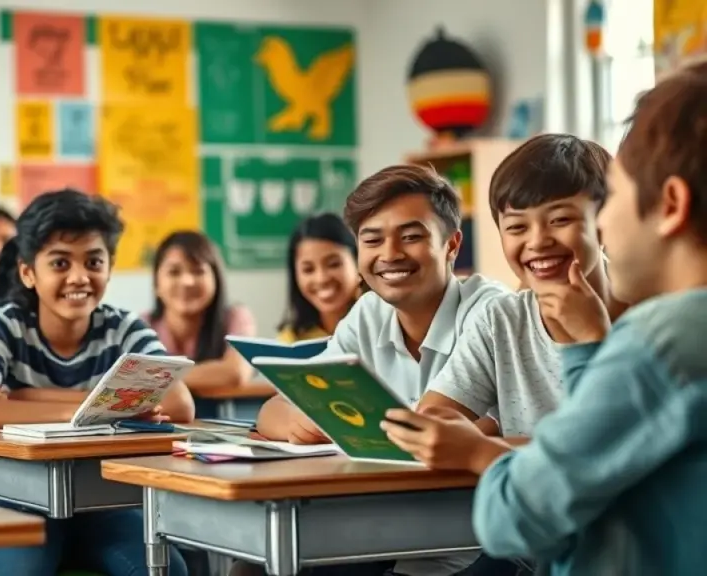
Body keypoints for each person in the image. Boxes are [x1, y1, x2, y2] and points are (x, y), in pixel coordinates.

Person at [382, 59, 707, 576]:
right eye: (517, 226)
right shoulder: (662, 335)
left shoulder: (659, 341)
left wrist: (480, 453)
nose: (606, 222)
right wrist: (586, 351)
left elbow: (516, 518)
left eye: (616, 198)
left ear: (670, 204)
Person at [253, 165, 509, 576]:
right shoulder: (368, 313)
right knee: (260, 560)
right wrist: (300, 419)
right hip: (381, 528)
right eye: (372, 240)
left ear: (452, 244)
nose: (389, 254)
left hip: (475, 537)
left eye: (411, 237)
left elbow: (490, 429)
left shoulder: (492, 310)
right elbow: (272, 411)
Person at [0, 188, 193, 576]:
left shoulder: (123, 328)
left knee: (167, 569)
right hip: (20, 498)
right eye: (60, 263)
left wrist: (24, 398)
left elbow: (179, 403)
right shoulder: (2, 325)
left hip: (105, 502)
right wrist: (98, 408)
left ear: (109, 267)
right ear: (28, 272)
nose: (79, 277)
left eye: (94, 262)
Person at [416, 134, 619, 437]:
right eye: (517, 227)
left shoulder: (651, 312)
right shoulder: (501, 320)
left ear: (605, 223)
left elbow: (626, 438)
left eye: (560, 220)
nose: (537, 241)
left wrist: (594, 340)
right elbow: (433, 419)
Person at [145, 230, 256, 393]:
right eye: (174, 272)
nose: (187, 282)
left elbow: (236, 372)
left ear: (216, 279)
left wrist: (158, 378)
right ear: (156, 284)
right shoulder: (143, 325)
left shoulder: (235, 317)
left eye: (198, 271)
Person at [276, 213, 361, 342]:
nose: (321, 279)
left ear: (358, 262)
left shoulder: (385, 326)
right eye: (308, 269)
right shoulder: (291, 341)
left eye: (333, 264)